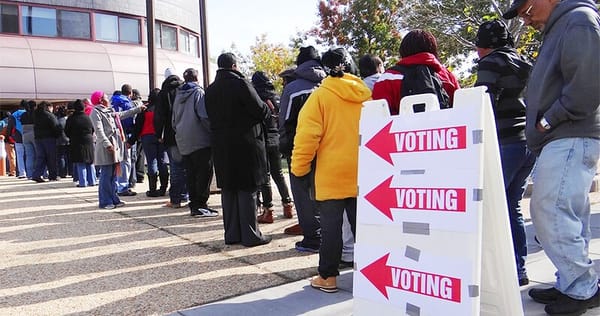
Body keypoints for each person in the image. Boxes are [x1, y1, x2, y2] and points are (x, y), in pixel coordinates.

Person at [503, 0, 600, 315]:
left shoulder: (578, 20)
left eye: (526, 10)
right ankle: (573, 282)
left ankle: (581, 287)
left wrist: (548, 120)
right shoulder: (564, 25)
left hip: (569, 131)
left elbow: (587, 85)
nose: (525, 19)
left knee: (549, 210)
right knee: (568, 214)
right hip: (563, 133)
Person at [291, 47, 371, 293]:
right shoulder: (366, 96)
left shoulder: (319, 97)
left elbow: (307, 138)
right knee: (365, 228)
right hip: (364, 173)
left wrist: (299, 168)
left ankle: (328, 277)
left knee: (331, 229)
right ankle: (372, 276)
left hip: (330, 175)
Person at [474, 19, 535, 287]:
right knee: (512, 208)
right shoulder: (524, 63)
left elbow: (481, 102)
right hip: (528, 144)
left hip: (503, 142)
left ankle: (494, 276)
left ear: (483, 46)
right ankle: (518, 269)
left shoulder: (490, 64)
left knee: (488, 208)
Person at [205, 52, 271, 247]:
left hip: (221, 144)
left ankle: (232, 234)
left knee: (229, 189)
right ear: (234, 66)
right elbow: (260, 110)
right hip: (245, 143)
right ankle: (251, 235)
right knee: (246, 188)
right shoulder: (241, 84)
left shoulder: (210, 90)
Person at [278, 46, 326, 252]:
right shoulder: (329, 83)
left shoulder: (293, 87)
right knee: (324, 192)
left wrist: (285, 146)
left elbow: (285, 120)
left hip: (300, 146)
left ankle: (313, 238)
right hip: (327, 147)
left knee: (302, 193)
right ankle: (328, 235)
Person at [372, 29, 460, 114]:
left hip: (401, 128)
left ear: (403, 50)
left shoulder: (387, 78)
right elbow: (459, 110)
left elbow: (379, 116)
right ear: (432, 49)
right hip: (445, 127)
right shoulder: (447, 76)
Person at [172, 68, 218, 217]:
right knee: (204, 173)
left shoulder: (178, 95)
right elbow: (203, 116)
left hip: (183, 140)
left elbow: (173, 120)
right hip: (200, 139)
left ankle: (194, 205)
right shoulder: (198, 93)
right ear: (196, 78)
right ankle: (201, 204)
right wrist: (213, 132)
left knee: (191, 174)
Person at [251, 71, 294, 223]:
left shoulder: (255, 96)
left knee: (265, 175)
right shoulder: (276, 96)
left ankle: (268, 210)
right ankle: (287, 204)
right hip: (276, 137)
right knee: (278, 174)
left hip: (262, 138)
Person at [90, 90, 144, 209]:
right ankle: (105, 201)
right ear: (100, 100)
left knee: (114, 175)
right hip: (106, 148)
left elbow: (123, 114)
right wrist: (107, 144)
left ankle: (114, 198)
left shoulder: (110, 111)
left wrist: (138, 109)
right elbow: (99, 131)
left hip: (116, 146)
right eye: (105, 97)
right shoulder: (96, 112)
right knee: (106, 175)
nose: (108, 99)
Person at [155, 68, 189, 209]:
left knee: (175, 167)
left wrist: (159, 134)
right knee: (187, 166)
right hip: (186, 133)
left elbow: (159, 117)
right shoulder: (185, 89)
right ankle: (186, 194)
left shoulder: (164, 93)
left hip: (171, 134)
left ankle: (175, 200)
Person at [128, 88, 169, 197]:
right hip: (161, 137)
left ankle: (152, 189)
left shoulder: (145, 110)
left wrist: (131, 141)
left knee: (151, 162)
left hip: (147, 137)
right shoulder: (163, 109)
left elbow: (138, 127)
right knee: (162, 162)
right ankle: (163, 188)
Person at [111, 84, 137, 196]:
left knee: (116, 160)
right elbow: (128, 120)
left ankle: (116, 185)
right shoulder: (126, 103)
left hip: (113, 133)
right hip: (123, 133)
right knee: (126, 160)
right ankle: (123, 186)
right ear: (130, 93)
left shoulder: (113, 101)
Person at [65, 99, 96, 187]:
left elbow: (66, 130)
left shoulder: (71, 118)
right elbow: (93, 129)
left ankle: (83, 182)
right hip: (88, 140)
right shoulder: (87, 117)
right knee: (90, 161)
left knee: (80, 162)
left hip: (76, 141)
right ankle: (92, 181)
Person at [32, 101, 61, 182]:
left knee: (40, 157)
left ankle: (36, 174)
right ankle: (53, 176)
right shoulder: (49, 115)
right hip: (49, 138)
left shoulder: (36, 115)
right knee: (51, 158)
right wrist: (58, 135)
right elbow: (56, 126)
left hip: (38, 139)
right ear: (48, 107)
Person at [131, 88, 146, 186]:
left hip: (136, 130)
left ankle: (135, 175)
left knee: (134, 154)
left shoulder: (132, 104)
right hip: (143, 132)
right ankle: (140, 174)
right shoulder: (142, 104)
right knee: (141, 154)